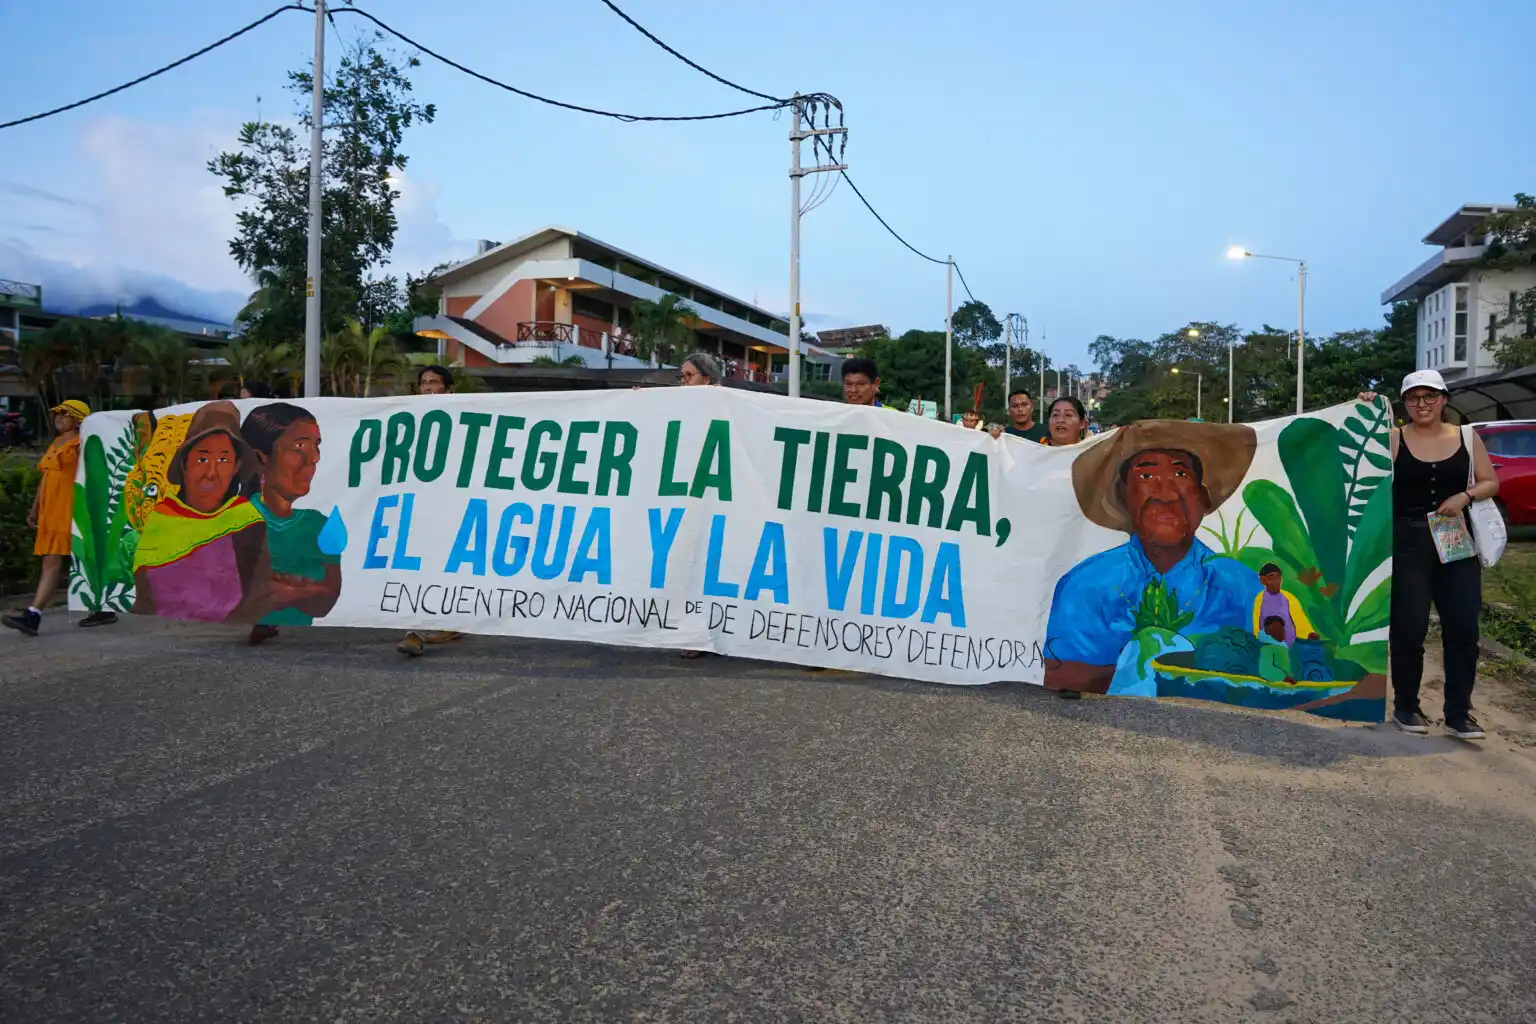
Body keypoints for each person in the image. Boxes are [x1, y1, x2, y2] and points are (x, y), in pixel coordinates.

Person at [1043, 420, 1261, 695]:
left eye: (1181, 475)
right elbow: (1062, 681)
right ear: (1123, 495)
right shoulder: (1086, 585)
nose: (1165, 492)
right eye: (1146, 477)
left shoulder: (1242, 586)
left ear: (1203, 497)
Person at [1359, 371, 1499, 739]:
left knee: (1464, 628)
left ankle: (1458, 713)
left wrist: (1465, 497)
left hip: (1457, 544)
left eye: (1430, 396)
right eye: (1413, 398)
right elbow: (1356, 451)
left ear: (1444, 399)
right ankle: (1407, 706)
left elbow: (1490, 481)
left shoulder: (1467, 437)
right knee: (1408, 629)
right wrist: (1365, 410)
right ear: (1403, 403)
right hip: (1407, 545)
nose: (1422, 404)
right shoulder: (1392, 439)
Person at [131, 401, 272, 623]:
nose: (211, 472)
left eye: (223, 459)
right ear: (185, 463)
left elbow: (259, 600)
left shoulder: (247, 521)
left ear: (236, 466)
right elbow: (143, 602)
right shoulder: (162, 518)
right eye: (202, 458)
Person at [4, 401, 116, 635]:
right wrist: (35, 508)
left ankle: (34, 615)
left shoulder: (81, 443)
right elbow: (47, 477)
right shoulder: (57, 442)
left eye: (66, 414)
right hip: (51, 511)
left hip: (72, 509)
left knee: (55, 562)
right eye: (58, 413)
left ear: (79, 420)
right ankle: (103, 609)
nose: (59, 417)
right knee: (81, 560)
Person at [243, 402, 342, 645]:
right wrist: (303, 590)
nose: (314, 458)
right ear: (260, 457)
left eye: (316, 445)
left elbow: (325, 603)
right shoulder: (236, 520)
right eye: (300, 446)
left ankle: (267, 622)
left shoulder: (318, 524)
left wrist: (282, 591)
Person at [398, 365, 466, 655]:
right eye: (423, 383)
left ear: (449, 389)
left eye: (434, 382)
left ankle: (447, 621)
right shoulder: (408, 416)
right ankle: (419, 626)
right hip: (419, 502)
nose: (427, 388)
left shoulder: (467, 415)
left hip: (453, 501)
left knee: (447, 559)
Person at [1251, 562, 1314, 645]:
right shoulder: (1259, 599)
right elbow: (1256, 625)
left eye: (1278, 577)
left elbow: (1301, 622)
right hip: (1268, 645)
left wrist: (1309, 636)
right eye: (1271, 577)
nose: (1275, 581)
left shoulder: (1289, 598)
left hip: (1291, 647)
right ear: (1262, 580)